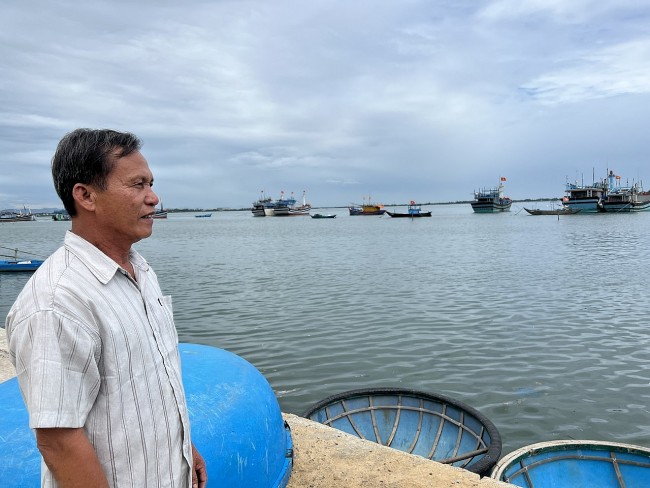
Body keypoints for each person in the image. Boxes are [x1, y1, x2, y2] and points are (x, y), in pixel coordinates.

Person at [5, 128, 207, 488]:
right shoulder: (57, 301)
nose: (154, 198)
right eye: (138, 185)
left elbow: (150, 384)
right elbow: (58, 440)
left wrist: (182, 448)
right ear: (86, 196)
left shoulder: (140, 270)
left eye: (151, 184)